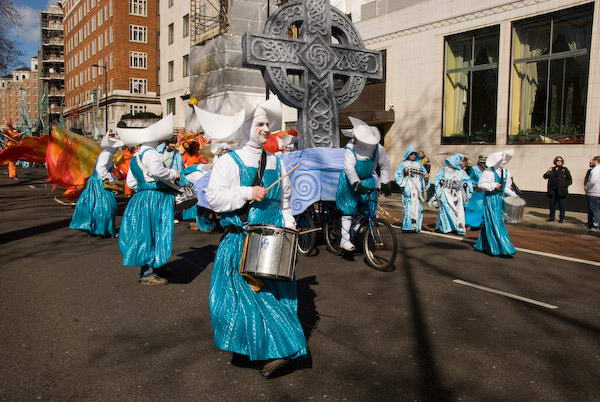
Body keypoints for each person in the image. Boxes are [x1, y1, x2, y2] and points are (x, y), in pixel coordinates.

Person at [202, 100, 307, 378]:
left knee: (271, 296)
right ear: (247, 127)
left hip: (271, 240)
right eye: (259, 124)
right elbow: (214, 198)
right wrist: (248, 192)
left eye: (267, 124)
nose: (265, 129)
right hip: (242, 239)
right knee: (240, 297)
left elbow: (285, 202)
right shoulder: (228, 161)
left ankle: (279, 350)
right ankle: (256, 343)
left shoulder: (278, 161)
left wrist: (289, 226)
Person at [117, 116, 180, 285]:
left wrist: (144, 185)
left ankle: (154, 265)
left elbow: (131, 182)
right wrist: (174, 174)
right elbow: (157, 171)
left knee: (146, 232)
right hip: (155, 198)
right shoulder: (152, 153)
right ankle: (149, 273)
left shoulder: (137, 156)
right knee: (156, 231)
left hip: (141, 197)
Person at [335, 117, 391, 251]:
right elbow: (349, 168)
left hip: (368, 178)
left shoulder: (378, 149)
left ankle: (357, 223)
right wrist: (356, 183)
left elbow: (385, 165)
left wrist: (384, 182)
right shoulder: (350, 148)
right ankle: (344, 240)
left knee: (367, 205)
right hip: (349, 180)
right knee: (348, 208)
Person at [69, 131, 123, 237]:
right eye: (117, 147)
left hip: (95, 181)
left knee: (94, 205)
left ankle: (97, 228)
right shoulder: (107, 154)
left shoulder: (106, 153)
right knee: (107, 206)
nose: (118, 149)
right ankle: (103, 228)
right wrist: (110, 178)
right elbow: (100, 169)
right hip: (99, 182)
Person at [474, 150, 517, 256]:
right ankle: (502, 247)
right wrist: (493, 185)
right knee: (496, 222)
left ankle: (483, 245)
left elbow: (506, 188)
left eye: (504, 159)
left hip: (500, 200)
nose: (503, 160)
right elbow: (481, 184)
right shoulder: (488, 171)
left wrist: (513, 195)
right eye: (501, 158)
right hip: (490, 199)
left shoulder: (506, 172)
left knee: (492, 221)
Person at [433, 153, 472, 235]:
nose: (460, 163)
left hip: (457, 194)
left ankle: (456, 227)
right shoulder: (444, 170)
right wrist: (440, 181)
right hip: (446, 193)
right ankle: (446, 227)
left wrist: (465, 183)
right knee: (446, 209)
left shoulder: (461, 172)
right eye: (458, 161)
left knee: (458, 211)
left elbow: (468, 180)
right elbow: (437, 178)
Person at [395, 146, 429, 232]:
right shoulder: (403, 164)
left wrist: (426, 176)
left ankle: (415, 226)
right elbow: (398, 175)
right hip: (408, 186)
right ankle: (407, 226)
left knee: (417, 206)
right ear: (408, 155)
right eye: (411, 154)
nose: (413, 155)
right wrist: (404, 173)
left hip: (418, 187)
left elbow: (425, 174)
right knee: (408, 206)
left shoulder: (419, 165)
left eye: (414, 154)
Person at [543, 156, 572, 223]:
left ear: (562, 162)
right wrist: (548, 171)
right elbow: (545, 177)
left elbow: (569, 180)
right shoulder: (552, 169)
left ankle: (562, 218)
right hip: (552, 190)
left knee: (562, 205)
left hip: (561, 191)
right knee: (552, 205)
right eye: (558, 160)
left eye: (560, 161)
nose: (559, 162)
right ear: (555, 161)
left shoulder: (565, 169)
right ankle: (551, 217)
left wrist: (564, 186)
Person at [465, 155, 486, 229]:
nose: (483, 164)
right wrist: (475, 185)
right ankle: (470, 223)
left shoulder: (487, 170)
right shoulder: (474, 168)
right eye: (482, 162)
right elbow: (469, 179)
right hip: (475, 191)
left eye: (484, 162)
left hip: (483, 191)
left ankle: (480, 222)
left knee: (481, 207)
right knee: (473, 207)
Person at [585, 156, 600, 232]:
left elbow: (593, 181)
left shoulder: (595, 170)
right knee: (598, 210)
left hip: (594, 192)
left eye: (593, 160)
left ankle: (595, 225)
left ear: (596, 161)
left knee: (594, 210)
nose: (592, 161)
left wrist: (588, 186)